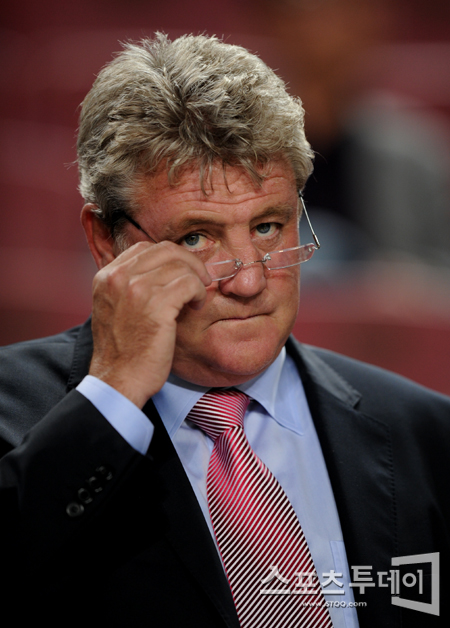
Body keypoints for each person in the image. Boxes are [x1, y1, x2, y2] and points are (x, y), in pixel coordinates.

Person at [0, 33, 449, 628]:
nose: (250, 282)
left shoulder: (426, 434)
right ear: (106, 241)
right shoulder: (11, 411)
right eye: (197, 238)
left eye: (267, 227)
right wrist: (114, 394)